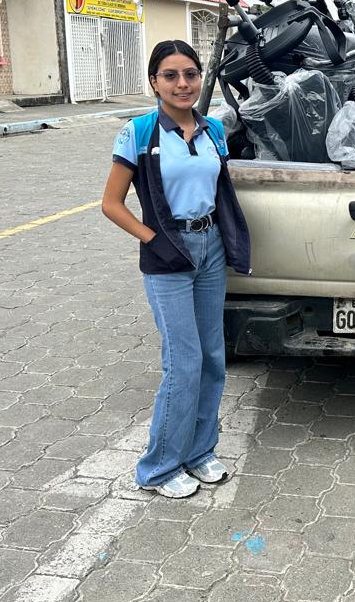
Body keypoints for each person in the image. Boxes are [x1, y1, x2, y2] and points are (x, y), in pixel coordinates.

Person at [101, 39, 251, 499]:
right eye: (171, 75)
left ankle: (200, 452)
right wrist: (154, 240)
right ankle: (159, 468)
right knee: (183, 363)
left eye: (190, 74)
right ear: (154, 82)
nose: (182, 84)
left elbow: (218, 190)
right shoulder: (139, 132)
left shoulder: (213, 130)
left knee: (212, 358)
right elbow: (111, 204)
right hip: (168, 253)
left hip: (210, 249)